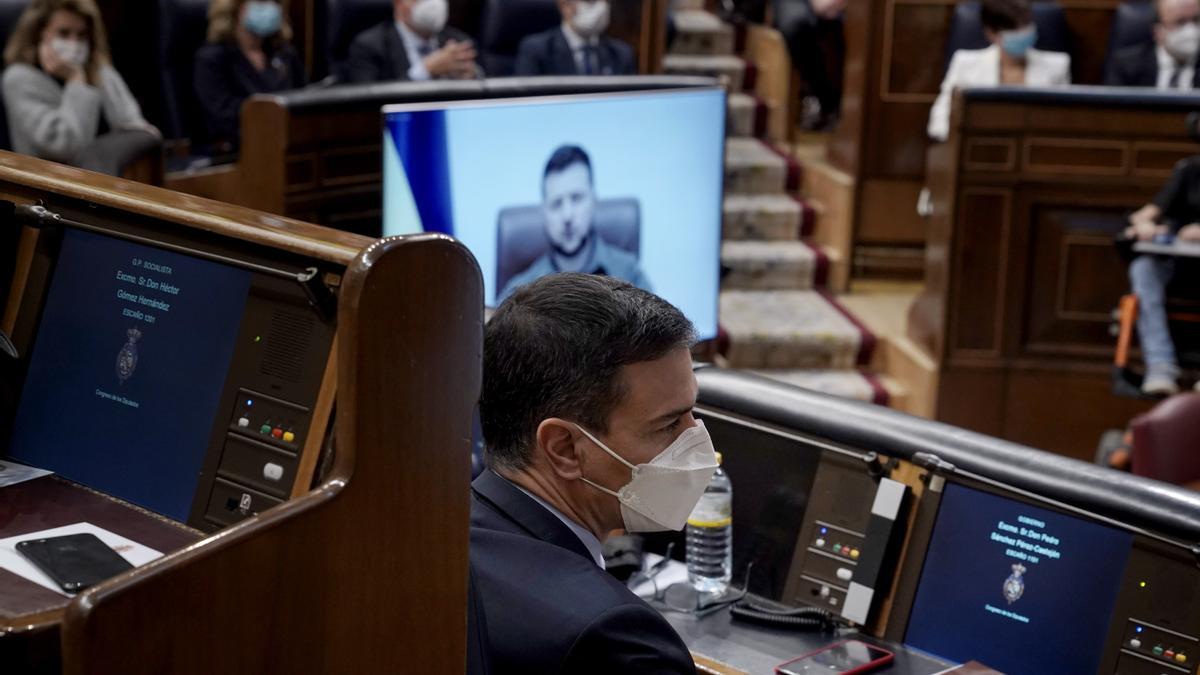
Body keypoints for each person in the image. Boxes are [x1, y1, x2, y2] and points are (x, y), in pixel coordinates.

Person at [473, 272, 711, 674]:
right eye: (668, 425)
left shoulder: (437, 542)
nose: (698, 441)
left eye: (694, 413)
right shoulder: (616, 639)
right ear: (565, 448)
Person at [2, 0, 160, 175]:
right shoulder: (19, 78)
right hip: (54, 184)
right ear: (39, 33)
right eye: (64, 33)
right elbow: (64, 147)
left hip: (116, 180)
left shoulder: (99, 69)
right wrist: (76, 80)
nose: (73, 43)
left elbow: (135, 125)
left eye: (81, 35)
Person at [497, 145, 650, 302]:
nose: (567, 216)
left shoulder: (631, 276)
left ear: (594, 201)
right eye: (556, 204)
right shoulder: (518, 294)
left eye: (576, 198)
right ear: (544, 213)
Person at [927, 0, 1070, 141]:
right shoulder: (965, 63)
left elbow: (1064, 121)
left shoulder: (1058, 65)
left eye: (1026, 24)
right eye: (1013, 28)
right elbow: (939, 120)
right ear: (991, 33)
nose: (1022, 32)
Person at [1125, 156, 1200, 395]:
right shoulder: (1191, 170)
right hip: (1178, 264)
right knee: (1143, 268)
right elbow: (1144, 215)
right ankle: (1160, 365)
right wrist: (1144, 225)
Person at [194, 0, 307, 151]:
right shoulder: (212, 59)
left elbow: (304, 98)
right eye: (259, 1)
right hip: (236, 152)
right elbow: (224, 116)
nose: (267, 7)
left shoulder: (284, 53)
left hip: (290, 145)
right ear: (234, 8)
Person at [342, 0, 478, 84]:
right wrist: (425, 71)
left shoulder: (459, 41)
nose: (433, 3)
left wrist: (470, 78)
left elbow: (483, 87)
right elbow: (367, 105)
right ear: (398, 3)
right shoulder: (368, 46)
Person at [514, 0, 635, 76]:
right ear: (564, 5)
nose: (601, 7)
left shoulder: (621, 54)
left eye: (605, 2)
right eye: (590, 1)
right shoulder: (536, 50)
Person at [1105, 0, 1200, 90]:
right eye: (1180, 22)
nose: (1190, 30)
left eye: (1196, 20)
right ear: (1157, 31)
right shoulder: (1126, 66)